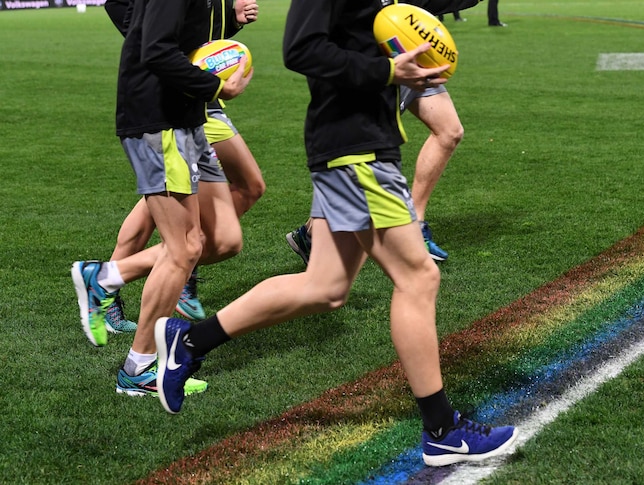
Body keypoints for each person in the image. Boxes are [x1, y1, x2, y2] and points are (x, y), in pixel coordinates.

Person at [155, 0, 518, 468]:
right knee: (418, 278)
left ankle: (189, 342)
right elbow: (301, 49)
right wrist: (389, 71)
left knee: (324, 287)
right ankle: (443, 430)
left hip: (358, 145)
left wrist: (403, 65)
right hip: (356, 150)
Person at [72, 0, 253, 397]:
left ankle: (105, 277)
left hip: (187, 116)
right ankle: (138, 370)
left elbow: (177, 33)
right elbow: (154, 48)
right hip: (160, 121)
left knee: (223, 239)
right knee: (185, 247)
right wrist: (217, 85)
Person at [100, 0, 265, 331]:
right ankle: (114, 289)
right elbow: (149, 35)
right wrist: (149, 39)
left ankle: (113, 280)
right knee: (179, 228)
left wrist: (231, 20)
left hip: (195, 97)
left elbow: (191, 30)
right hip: (176, 97)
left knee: (216, 224)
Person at [286, 83, 462, 264]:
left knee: (450, 131)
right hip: (390, 64)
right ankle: (312, 234)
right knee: (359, 148)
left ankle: (416, 224)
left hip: (419, 59)